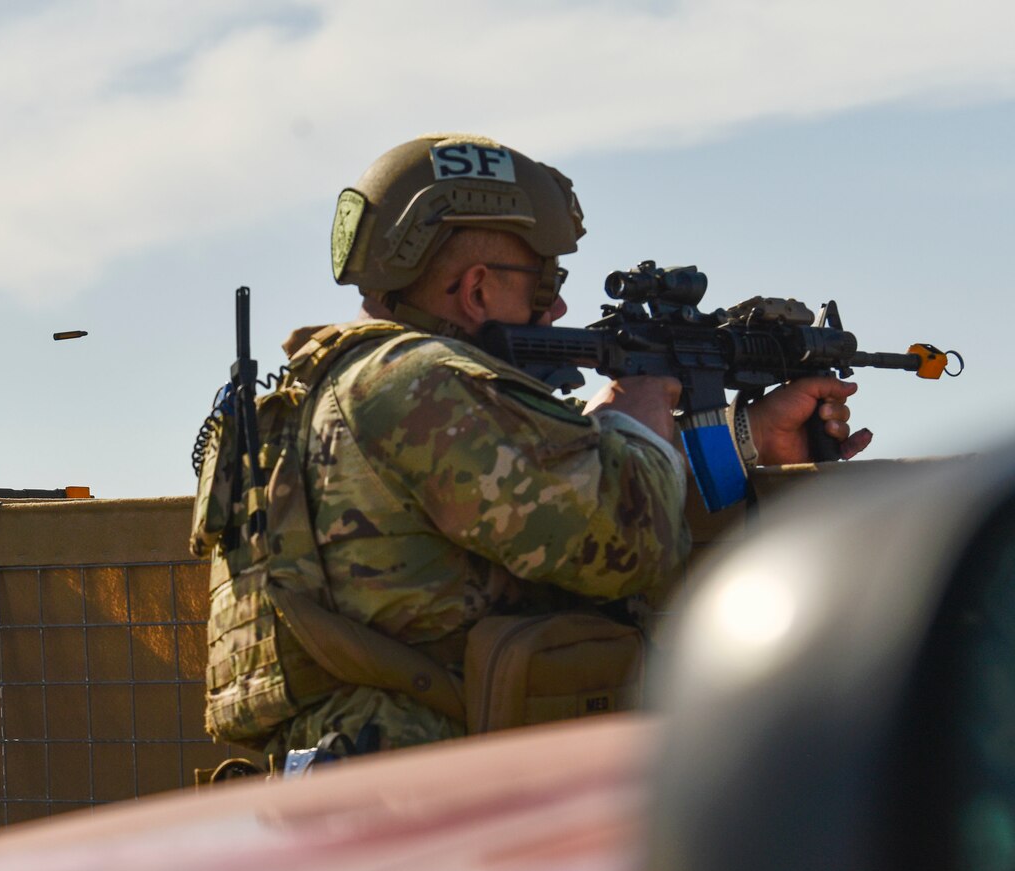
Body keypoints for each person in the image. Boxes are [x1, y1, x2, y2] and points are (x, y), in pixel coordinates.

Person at [201, 134, 869, 761]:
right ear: (478, 287)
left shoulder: (336, 389)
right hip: (444, 795)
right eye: (543, 282)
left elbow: (523, 516)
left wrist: (742, 438)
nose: (555, 310)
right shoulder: (424, 383)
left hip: (380, 773)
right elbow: (624, 548)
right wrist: (636, 419)